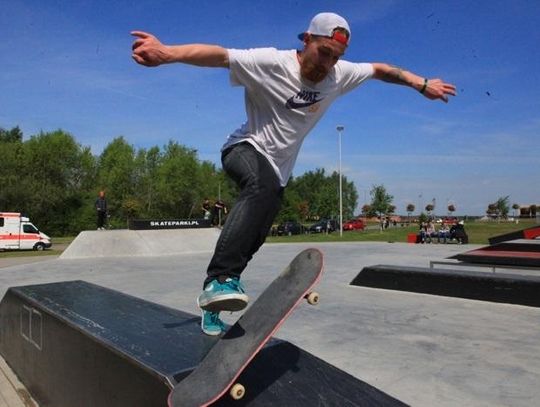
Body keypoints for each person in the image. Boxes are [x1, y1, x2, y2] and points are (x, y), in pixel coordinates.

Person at [131, 12, 456, 335]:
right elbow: (220, 55)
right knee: (261, 185)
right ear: (307, 40)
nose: (327, 64)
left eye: (335, 57)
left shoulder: (339, 74)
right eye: (323, 53)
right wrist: (168, 53)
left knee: (257, 231)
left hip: (277, 169)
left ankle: (215, 300)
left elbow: (380, 70)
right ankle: (219, 279)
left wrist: (420, 83)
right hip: (243, 148)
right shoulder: (271, 62)